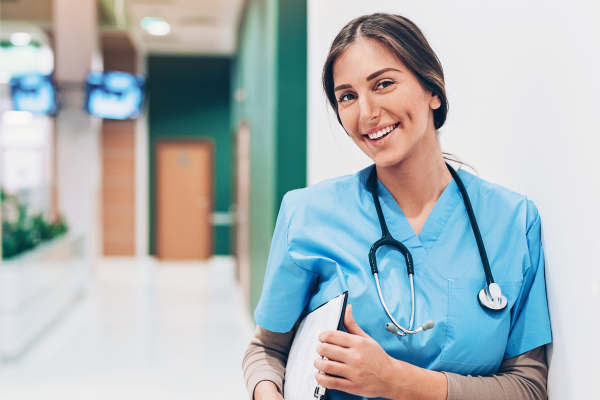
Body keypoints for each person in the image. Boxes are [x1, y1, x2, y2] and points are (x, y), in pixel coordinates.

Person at [243, 13, 552, 400]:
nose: (367, 112)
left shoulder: (511, 221)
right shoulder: (306, 214)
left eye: (383, 84)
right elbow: (267, 351)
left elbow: (528, 388)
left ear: (432, 91)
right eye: (347, 97)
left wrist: (395, 380)